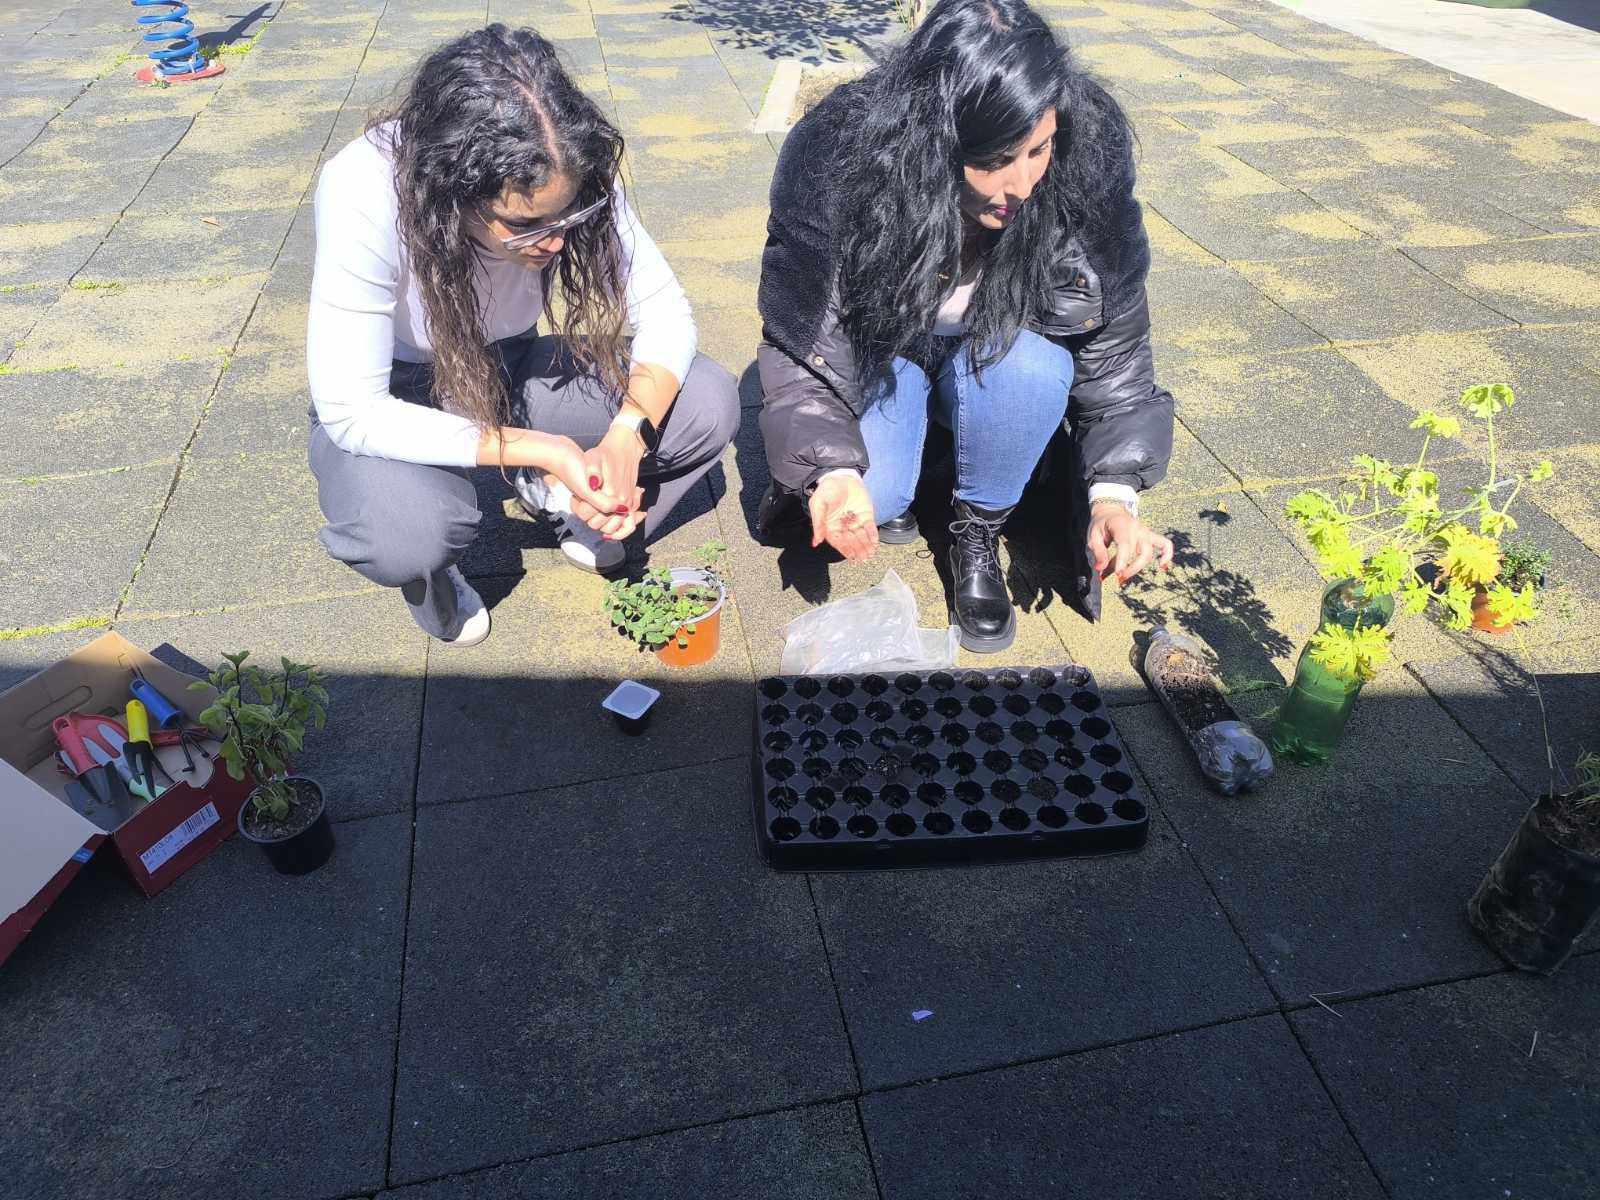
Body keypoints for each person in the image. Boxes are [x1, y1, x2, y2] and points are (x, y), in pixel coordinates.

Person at [756, 0, 1175, 652]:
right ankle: (920, 466)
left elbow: (1115, 347)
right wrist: (829, 472)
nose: (1021, 184)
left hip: (998, 355)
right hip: (886, 353)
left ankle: (977, 528)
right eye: (994, 159)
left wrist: (1114, 497)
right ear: (934, 141)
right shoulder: (835, 159)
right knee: (871, 494)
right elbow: (803, 343)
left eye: (1038, 150)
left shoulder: (1085, 159)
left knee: (1034, 370)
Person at [306, 24, 739, 646]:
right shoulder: (363, 186)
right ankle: (438, 577)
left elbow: (667, 313)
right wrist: (545, 449)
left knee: (705, 404)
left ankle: (573, 506)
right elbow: (353, 411)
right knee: (403, 535)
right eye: (526, 224)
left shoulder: (568, 160)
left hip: (506, 364)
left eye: (569, 215)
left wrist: (626, 437)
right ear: (451, 187)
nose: (556, 242)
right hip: (397, 388)